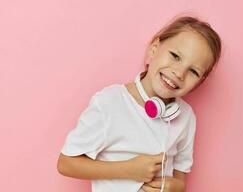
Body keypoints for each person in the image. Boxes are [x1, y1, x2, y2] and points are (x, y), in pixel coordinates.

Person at [57, 14, 222, 192]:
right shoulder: (110, 102)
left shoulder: (186, 117)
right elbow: (66, 163)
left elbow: (180, 178)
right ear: (154, 49)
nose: (179, 73)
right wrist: (128, 170)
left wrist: (177, 187)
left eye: (193, 71)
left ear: (199, 83)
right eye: (175, 56)